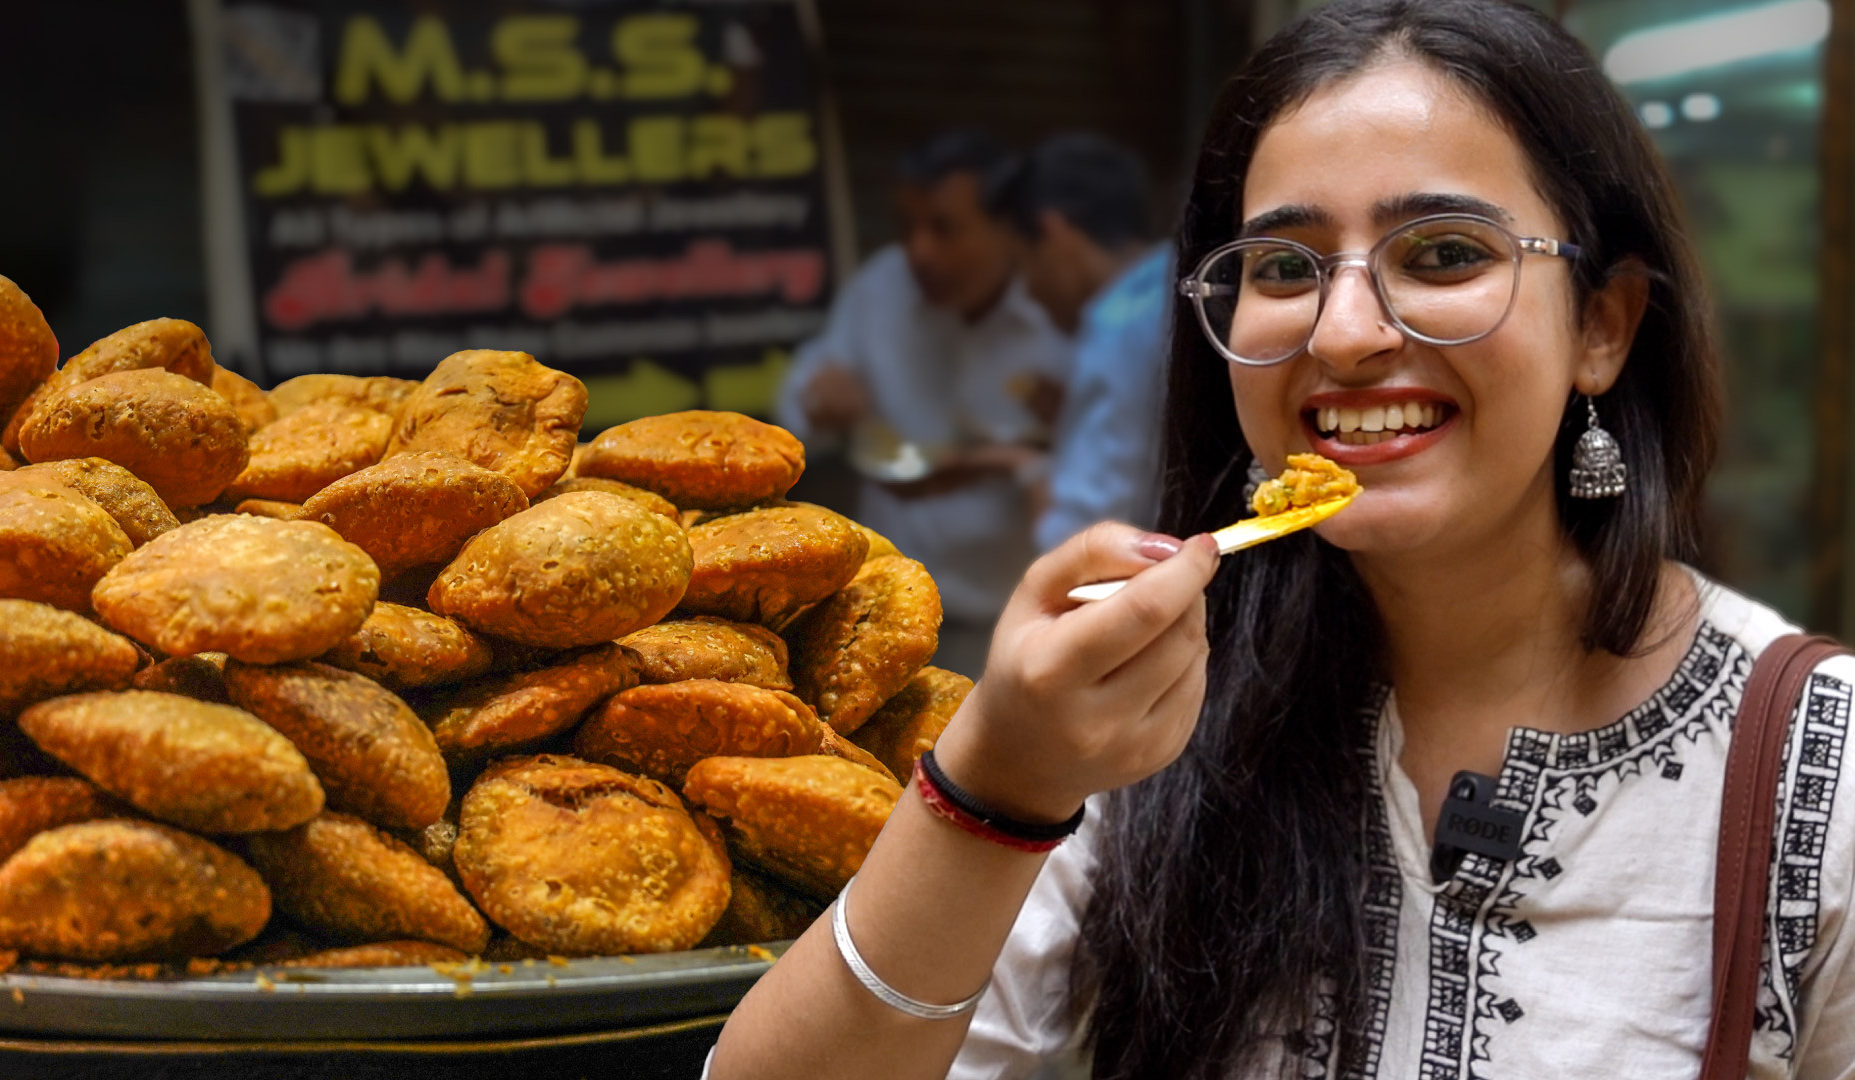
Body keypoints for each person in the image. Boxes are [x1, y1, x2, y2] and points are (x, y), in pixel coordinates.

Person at [711, 2, 1855, 1078]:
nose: (1346, 332)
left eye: (1445, 253)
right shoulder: (1144, 726)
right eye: (1283, 268)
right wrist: (996, 784)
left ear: (1601, 325)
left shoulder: (1825, 767)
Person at [775, 131, 1069, 681]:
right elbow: (797, 402)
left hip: (1015, 624)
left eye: (944, 228)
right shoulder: (883, 288)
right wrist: (817, 399)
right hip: (880, 616)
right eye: (907, 227)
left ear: (1009, 229)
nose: (920, 251)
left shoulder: (1061, 312)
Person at [994, 133, 1171, 551]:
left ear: (1053, 234)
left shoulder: (1118, 324)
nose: (1029, 291)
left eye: (1023, 264)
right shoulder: (1181, 276)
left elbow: (1079, 537)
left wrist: (1026, 467)